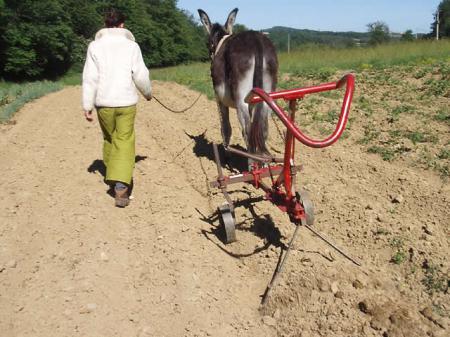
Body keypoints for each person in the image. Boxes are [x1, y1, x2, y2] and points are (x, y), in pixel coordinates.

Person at [82, 9, 152, 207]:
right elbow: (140, 74)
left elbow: (90, 78)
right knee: (124, 140)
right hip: (126, 103)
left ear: (106, 25)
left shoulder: (94, 46)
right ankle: (121, 186)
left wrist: (87, 105)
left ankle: (112, 176)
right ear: (122, 25)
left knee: (110, 138)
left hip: (103, 103)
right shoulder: (132, 46)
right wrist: (147, 93)